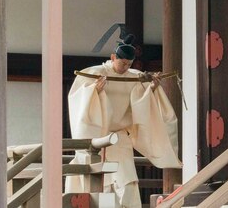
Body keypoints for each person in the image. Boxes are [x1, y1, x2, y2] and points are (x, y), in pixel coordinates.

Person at [66, 35, 182, 208]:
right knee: (98, 184)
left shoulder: (135, 76)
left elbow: (140, 101)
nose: (126, 67)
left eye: (129, 64)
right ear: (113, 58)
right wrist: (93, 91)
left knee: (128, 181)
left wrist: (152, 87)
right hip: (97, 137)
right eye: (122, 63)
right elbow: (78, 99)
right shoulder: (95, 73)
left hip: (119, 138)